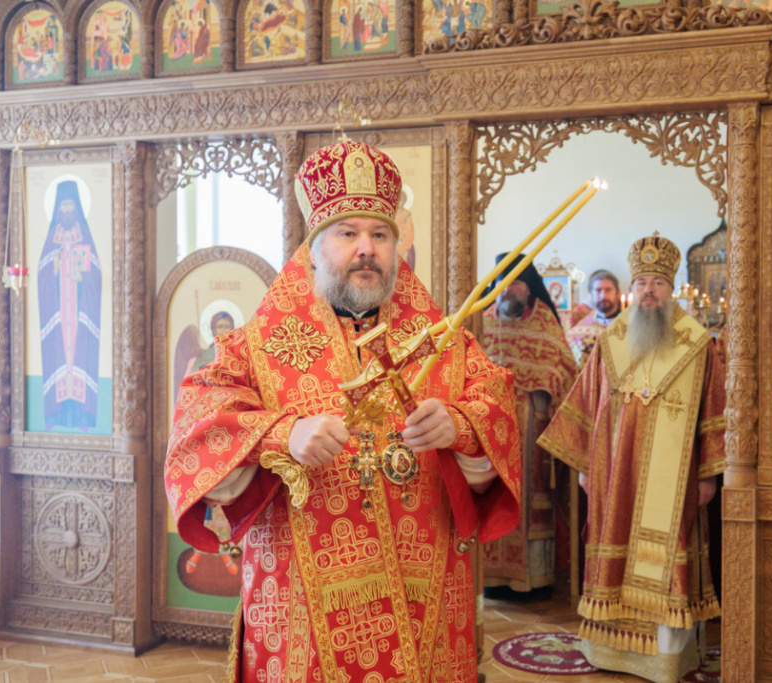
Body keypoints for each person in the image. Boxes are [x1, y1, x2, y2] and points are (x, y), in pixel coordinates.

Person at [166, 141, 522, 682]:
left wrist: (461, 425)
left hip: (423, 590)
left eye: (380, 235)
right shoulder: (253, 347)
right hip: (301, 602)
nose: (366, 249)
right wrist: (282, 434)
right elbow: (198, 424)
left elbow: (495, 405)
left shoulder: (444, 342)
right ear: (313, 247)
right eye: (348, 233)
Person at [538, 233, 726, 683]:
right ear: (632, 288)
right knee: (614, 555)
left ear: (671, 289)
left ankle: (666, 656)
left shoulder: (697, 344)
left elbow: (715, 411)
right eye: (641, 283)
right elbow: (587, 405)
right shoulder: (611, 340)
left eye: (657, 283)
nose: (648, 291)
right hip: (614, 475)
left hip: (675, 482)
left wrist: (708, 476)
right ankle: (608, 648)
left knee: (667, 557)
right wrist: (586, 467)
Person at [480, 253, 577, 596]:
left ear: (529, 288)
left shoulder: (545, 322)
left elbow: (565, 372)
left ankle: (534, 581)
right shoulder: (481, 322)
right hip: (488, 430)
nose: (507, 290)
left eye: (515, 283)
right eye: (501, 284)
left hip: (533, 431)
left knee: (529, 503)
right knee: (490, 497)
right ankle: (491, 577)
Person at [38, 180, 102, 431]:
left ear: (77, 208)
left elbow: (96, 277)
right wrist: (53, 271)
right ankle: (55, 415)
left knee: (80, 361)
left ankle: (83, 417)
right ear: (57, 209)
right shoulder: (50, 240)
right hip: (57, 317)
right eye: (62, 206)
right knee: (57, 360)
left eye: (70, 205)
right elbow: (41, 279)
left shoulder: (85, 236)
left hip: (78, 315)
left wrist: (82, 278)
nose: (66, 210)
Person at [566, 269, 622, 368]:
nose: (603, 296)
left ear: (618, 294)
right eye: (598, 290)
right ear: (591, 295)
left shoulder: (629, 325)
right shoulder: (578, 333)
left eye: (608, 290)